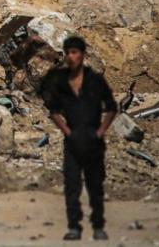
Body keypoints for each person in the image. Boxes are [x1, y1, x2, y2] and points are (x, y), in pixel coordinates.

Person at [41, 36, 117, 242]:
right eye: (67, 53)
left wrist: (100, 131)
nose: (70, 57)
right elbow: (53, 110)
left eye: (74, 52)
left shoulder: (95, 81)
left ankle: (98, 226)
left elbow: (111, 107)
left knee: (95, 185)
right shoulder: (61, 82)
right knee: (72, 185)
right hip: (73, 140)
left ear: (82, 55)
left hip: (93, 139)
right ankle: (74, 226)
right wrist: (67, 131)